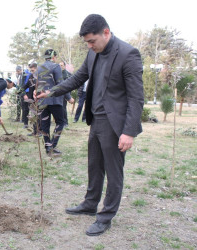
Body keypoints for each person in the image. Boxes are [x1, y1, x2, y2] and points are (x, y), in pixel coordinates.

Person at [37, 14, 144, 236]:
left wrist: (129, 132)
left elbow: (136, 97)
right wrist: (51, 91)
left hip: (116, 125)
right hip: (96, 120)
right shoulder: (92, 53)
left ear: (106, 32)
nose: (89, 45)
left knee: (114, 172)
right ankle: (90, 203)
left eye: (92, 41)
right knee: (94, 165)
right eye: (86, 42)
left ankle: (106, 217)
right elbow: (77, 78)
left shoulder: (128, 54)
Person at [37, 49, 66, 156]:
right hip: (54, 99)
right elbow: (61, 84)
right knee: (60, 122)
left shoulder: (39, 68)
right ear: (54, 57)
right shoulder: (56, 66)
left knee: (45, 124)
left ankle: (48, 147)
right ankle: (53, 145)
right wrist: (68, 97)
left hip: (42, 100)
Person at [59, 61, 73, 127]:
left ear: (64, 66)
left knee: (63, 108)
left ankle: (65, 122)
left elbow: (71, 85)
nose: (60, 66)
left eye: (61, 65)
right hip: (58, 93)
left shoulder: (68, 74)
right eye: (59, 65)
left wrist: (68, 95)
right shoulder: (58, 74)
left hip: (65, 93)